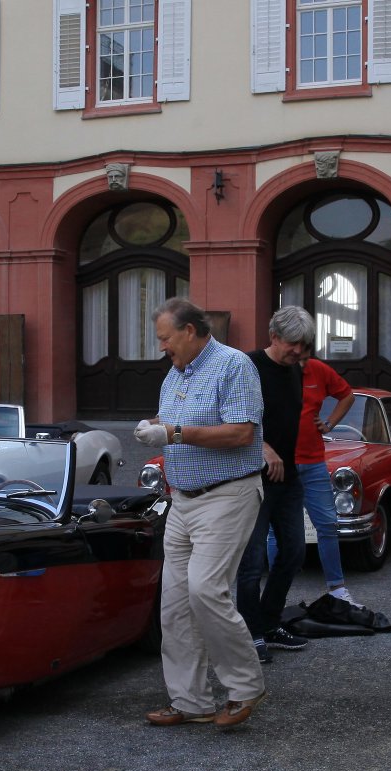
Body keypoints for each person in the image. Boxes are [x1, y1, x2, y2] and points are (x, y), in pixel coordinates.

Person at [134, 297, 267, 729]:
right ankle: (191, 701)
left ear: (189, 331)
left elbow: (241, 433)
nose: (162, 347)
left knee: (205, 590)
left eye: (165, 338)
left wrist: (172, 433)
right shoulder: (175, 373)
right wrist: (153, 425)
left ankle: (245, 686)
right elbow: (171, 420)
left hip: (227, 495)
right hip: (184, 499)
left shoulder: (234, 365)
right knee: (174, 603)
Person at [238, 306, 317, 664]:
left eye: (304, 345)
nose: (298, 351)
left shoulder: (295, 369)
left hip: (287, 477)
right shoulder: (247, 366)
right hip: (251, 478)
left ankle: (269, 623)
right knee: (252, 563)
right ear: (273, 336)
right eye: (292, 344)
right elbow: (231, 417)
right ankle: (249, 635)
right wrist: (263, 446)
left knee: (294, 552)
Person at [289, 308, 358, 607]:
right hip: (282, 464)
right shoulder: (273, 370)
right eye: (297, 354)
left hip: (313, 461)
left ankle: (337, 589)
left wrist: (328, 423)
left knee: (328, 525)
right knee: (278, 533)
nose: (301, 360)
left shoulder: (317, 370)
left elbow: (347, 395)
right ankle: (278, 596)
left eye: (306, 354)